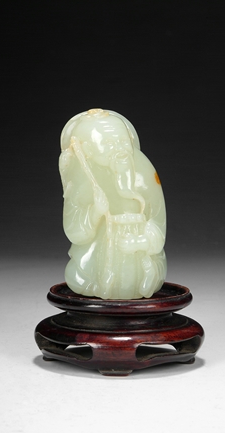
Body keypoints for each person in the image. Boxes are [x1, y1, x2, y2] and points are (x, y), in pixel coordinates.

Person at [59, 109, 167, 299]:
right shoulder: (82, 175)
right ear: (88, 150)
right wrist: (95, 213)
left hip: (139, 255)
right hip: (96, 258)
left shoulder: (144, 172)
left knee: (145, 278)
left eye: (123, 142)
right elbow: (73, 230)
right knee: (76, 277)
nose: (119, 149)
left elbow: (158, 223)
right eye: (109, 144)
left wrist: (140, 242)